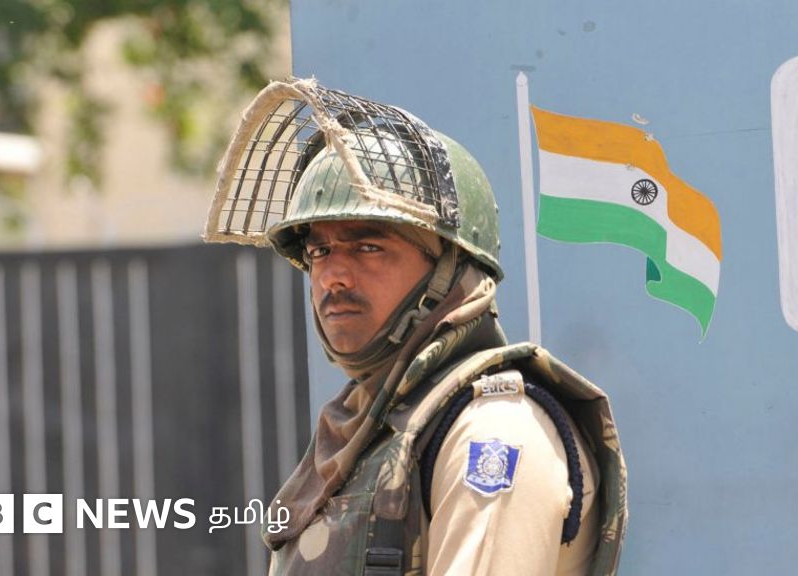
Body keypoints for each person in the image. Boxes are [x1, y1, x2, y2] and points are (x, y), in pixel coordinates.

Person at [204, 79, 627, 575]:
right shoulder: (366, 430)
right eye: (319, 250)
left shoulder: (493, 430)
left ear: (450, 268)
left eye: (368, 247)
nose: (332, 275)